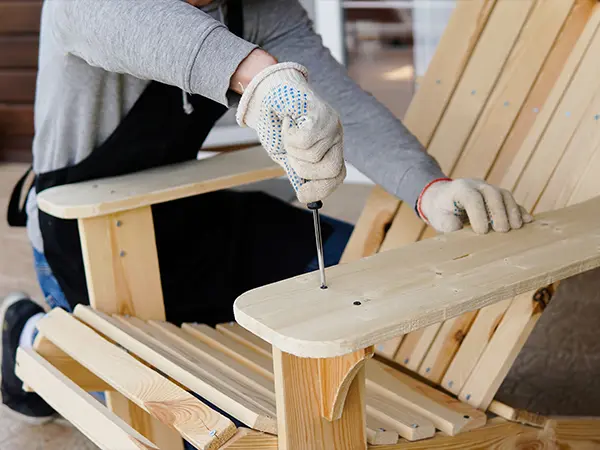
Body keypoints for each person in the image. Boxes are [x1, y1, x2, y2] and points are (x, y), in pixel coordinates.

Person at [2, 0, 531, 432]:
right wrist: (259, 77)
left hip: (190, 218)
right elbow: (147, 27)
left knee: (378, 267)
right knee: (199, 425)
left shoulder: (261, 11)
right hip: (84, 239)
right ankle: (28, 332)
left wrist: (429, 188)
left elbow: (343, 104)